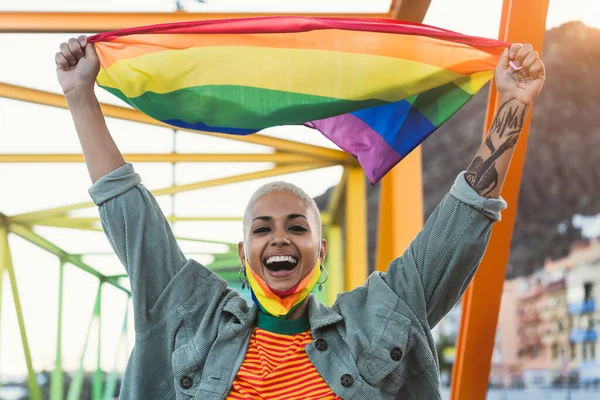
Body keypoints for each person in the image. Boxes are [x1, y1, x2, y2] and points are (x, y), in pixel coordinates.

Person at [55, 35, 545, 399]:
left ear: (321, 247)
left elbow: (459, 224)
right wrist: (80, 96)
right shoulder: (187, 313)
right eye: (262, 228)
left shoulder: (375, 322)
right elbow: (129, 211)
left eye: (297, 226)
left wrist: (513, 105)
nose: (279, 238)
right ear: (243, 250)